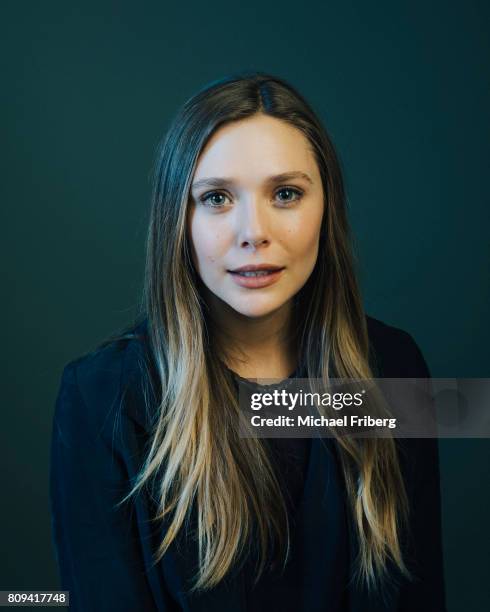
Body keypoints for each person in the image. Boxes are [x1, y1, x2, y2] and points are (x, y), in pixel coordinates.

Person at [49, 72, 446, 611]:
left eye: (286, 193)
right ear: (177, 221)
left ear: (326, 208)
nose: (252, 230)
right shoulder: (100, 397)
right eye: (216, 198)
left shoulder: (395, 368)